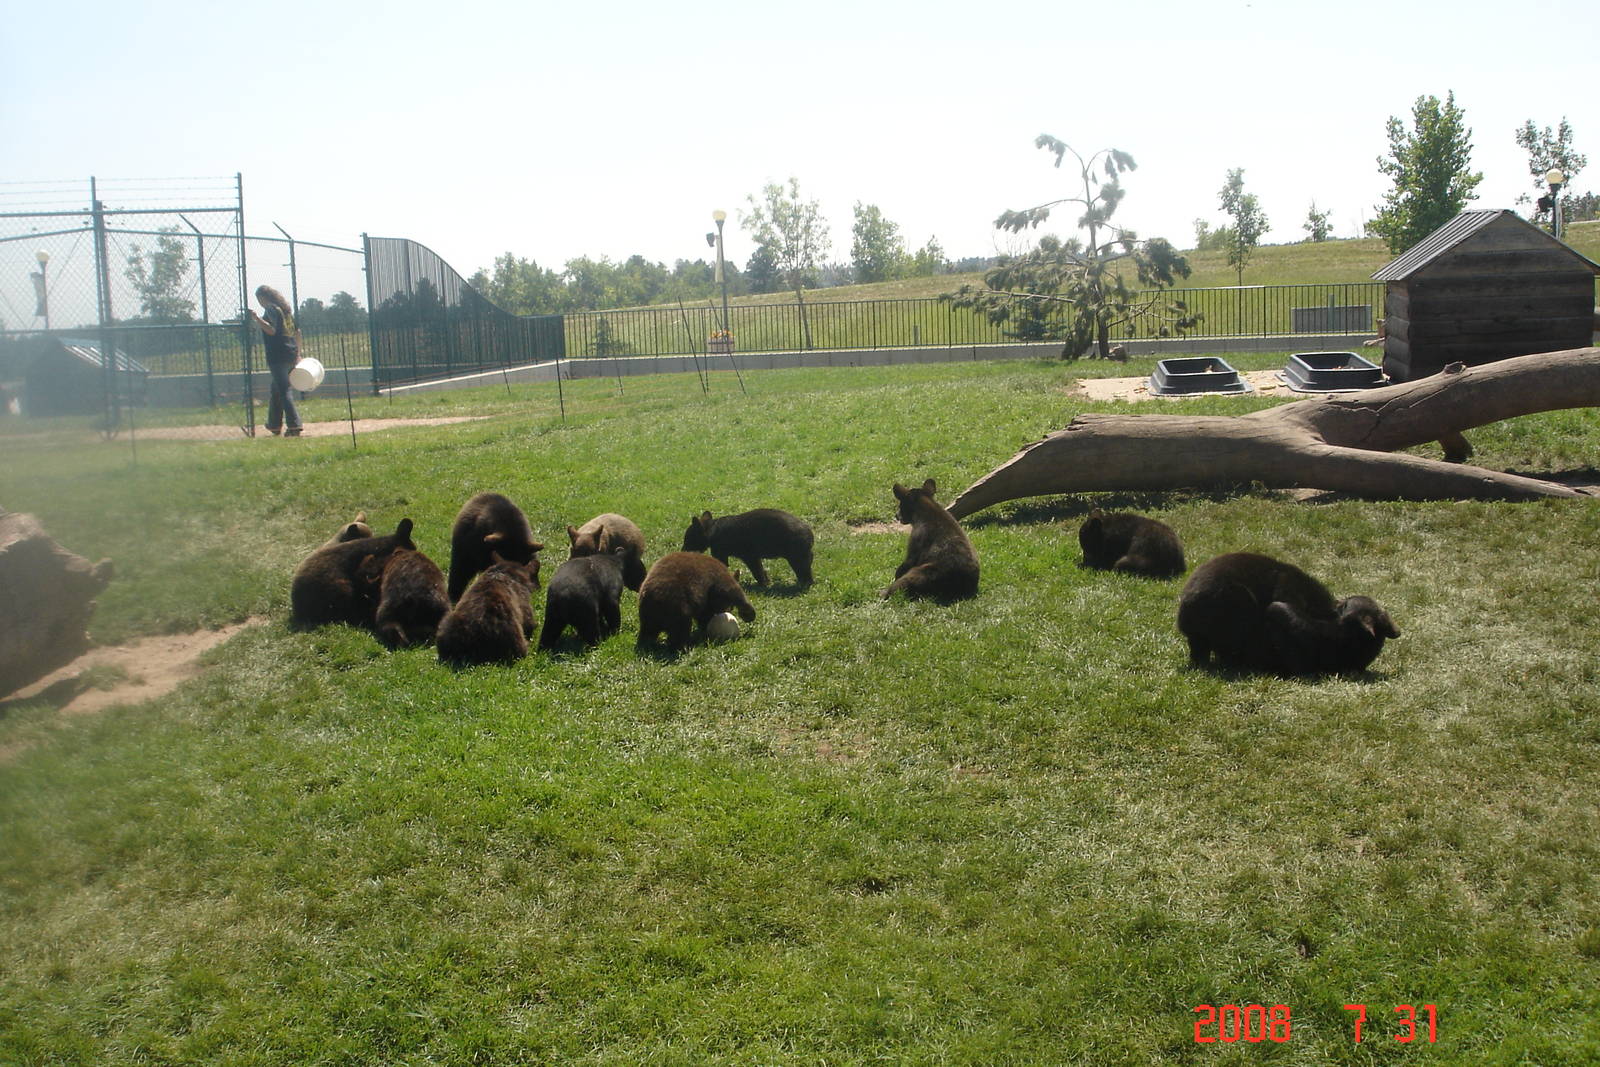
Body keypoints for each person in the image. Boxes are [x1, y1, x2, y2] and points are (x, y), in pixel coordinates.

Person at [247, 284, 303, 436]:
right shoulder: (286, 311)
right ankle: (274, 425)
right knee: (276, 389)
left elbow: (271, 330)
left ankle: (294, 425)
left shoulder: (271, 309)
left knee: (284, 390)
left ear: (262, 298)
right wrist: (298, 353)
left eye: (259, 300)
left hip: (278, 355)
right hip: (290, 353)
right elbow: (297, 332)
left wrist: (257, 318)